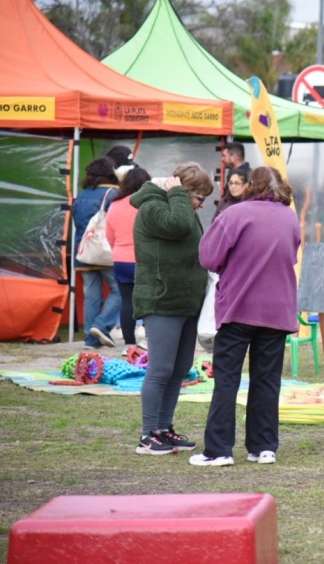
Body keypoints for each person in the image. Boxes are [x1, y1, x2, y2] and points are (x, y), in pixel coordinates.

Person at [191, 167, 301, 467]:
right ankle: (264, 447)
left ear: (252, 185)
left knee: (226, 379)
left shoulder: (235, 214)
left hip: (239, 308)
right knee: (267, 380)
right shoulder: (290, 216)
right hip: (277, 310)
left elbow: (208, 257)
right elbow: (291, 255)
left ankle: (218, 450)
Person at [131, 161, 213, 456]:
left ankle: (163, 429)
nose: (201, 205)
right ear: (182, 189)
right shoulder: (152, 207)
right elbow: (177, 226)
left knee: (179, 369)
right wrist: (179, 195)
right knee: (160, 369)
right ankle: (147, 435)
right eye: (199, 197)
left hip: (186, 301)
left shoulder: (183, 207)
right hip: (161, 300)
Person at [72, 157, 121, 349]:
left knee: (91, 296)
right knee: (120, 291)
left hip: (84, 253)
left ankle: (90, 340)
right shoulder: (113, 194)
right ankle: (101, 326)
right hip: (107, 252)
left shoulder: (81, 195)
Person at [105, 166, 151, 354]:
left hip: (121, 260)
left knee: (127, 302)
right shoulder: (147, 204)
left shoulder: (115, 204)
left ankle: (128, 345)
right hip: (145, 259)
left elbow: (109, 235)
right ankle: (149, 340)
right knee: (149, 302)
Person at [216, 141, 251, 213]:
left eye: (224, 155)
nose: (222, 159)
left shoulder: (249, 177)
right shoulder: (232, 173)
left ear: (233, 157)